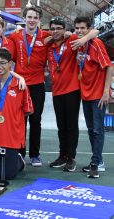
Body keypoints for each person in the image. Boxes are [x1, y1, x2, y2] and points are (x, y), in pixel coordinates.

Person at [47, 17, 99, 172]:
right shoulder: (49, 46)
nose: (55, 31)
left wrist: (83, 40)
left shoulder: (72, 40)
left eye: (59, 28)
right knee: (61, 126)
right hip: (56, 91)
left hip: (72, 90)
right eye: (53, 28)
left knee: (71, 126)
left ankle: (71, 158)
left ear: (64, 29)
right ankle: (62, 155)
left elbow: (95, 31)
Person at [8, 5, 48, 166]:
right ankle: (19, 152)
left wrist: (67, 33)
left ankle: (35, 155)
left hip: (38, 85)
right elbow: (9, 60)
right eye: (29, 17)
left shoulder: (46, 36)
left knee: (35, 120)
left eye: (35, 18)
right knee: (20, 121)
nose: (32, 20)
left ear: (39, 20)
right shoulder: (15, 36)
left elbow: (64, 36)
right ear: (24, 19)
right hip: (20, 85)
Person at [74, 17, 113, 178]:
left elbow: (109, 67)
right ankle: (99, 161)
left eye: (83, 28)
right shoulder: (79, 45)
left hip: (98, 95)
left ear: (89, 29)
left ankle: (96, 163)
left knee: (97, 130)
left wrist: (106, 91)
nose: (79, 31)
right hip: (86, 94)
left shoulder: (95, 44)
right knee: (91, 130)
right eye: (77, 28)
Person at [0, 48, 33, 180]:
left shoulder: (20, 85)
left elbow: (28, 110)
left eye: (3, 63)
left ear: (10, 64)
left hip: (11, 136)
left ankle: (18, 159)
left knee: (9, 176)